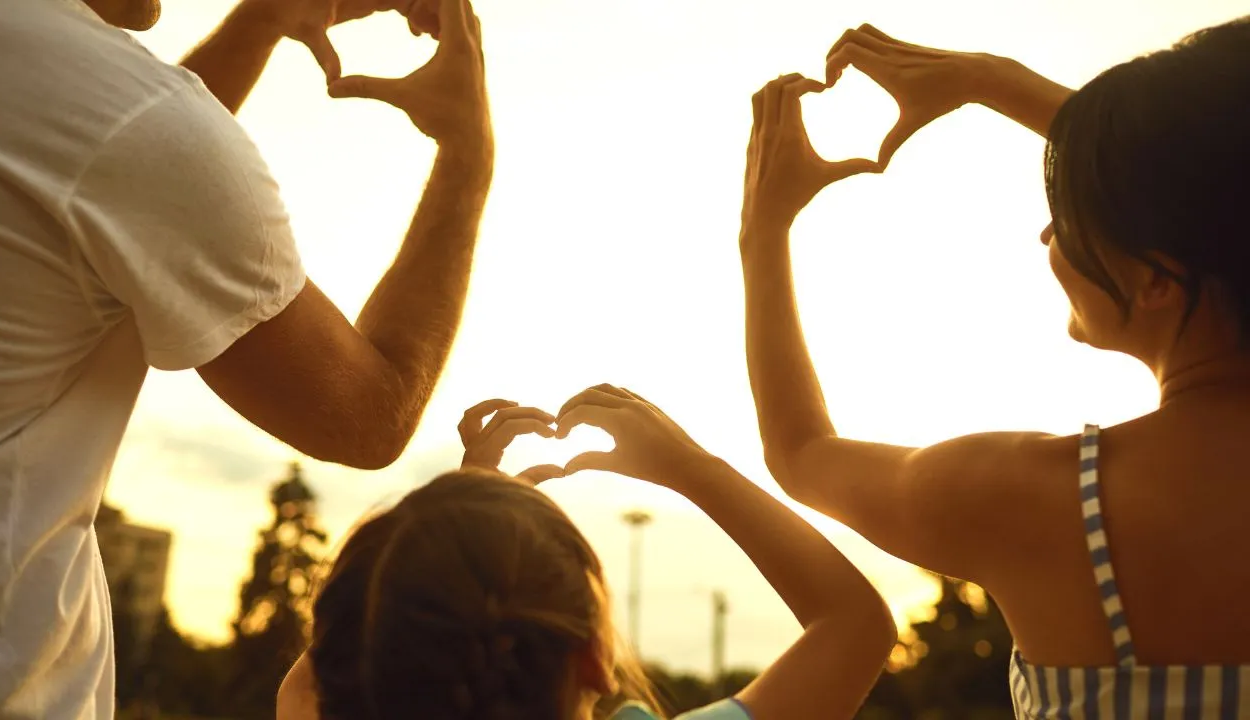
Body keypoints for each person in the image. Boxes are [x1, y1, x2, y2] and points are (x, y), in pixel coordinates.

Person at [0, 0, 491, 714]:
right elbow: (369, 416)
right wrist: (466, 157)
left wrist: (261, 21)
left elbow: (96, 176)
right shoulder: (129, 121)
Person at [739, 18, 1250, 718]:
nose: (1047, 233)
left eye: (1067, 213)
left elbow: (801, 452)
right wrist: (992, 81)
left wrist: (763, 229)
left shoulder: (1040, 500)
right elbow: (1213, 182)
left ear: (1158, 279)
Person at [276, 387, 897, 720]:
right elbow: (855, 623)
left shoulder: (317, 698)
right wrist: (691, 469)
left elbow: (316, 680)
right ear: (595, 660)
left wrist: (460, 515)